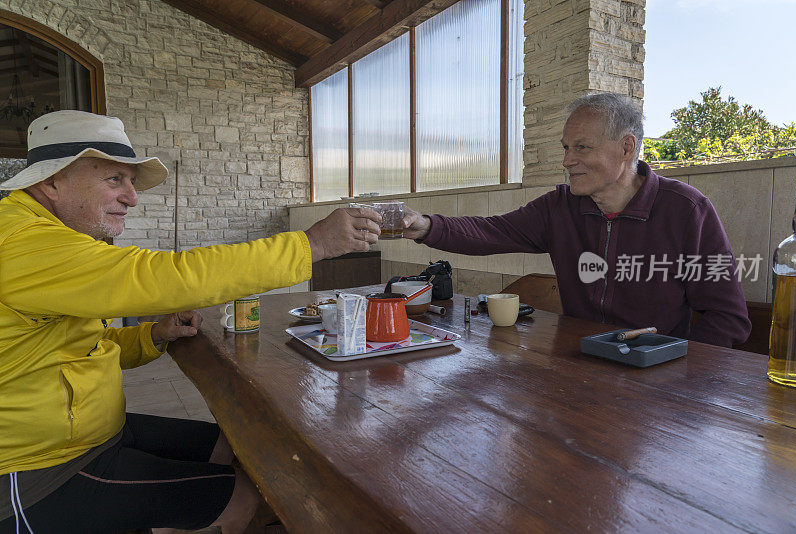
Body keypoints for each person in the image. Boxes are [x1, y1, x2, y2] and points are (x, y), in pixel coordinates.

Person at [0, 110, 381, 533]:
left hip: (93, 433)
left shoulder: (48, 238)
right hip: (37, 468)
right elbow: (164, 276)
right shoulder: (18, 241)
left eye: (130, 181)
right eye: (114, 180)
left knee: (238, 449)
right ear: (51, 181)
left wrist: (152, 334)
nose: (132, 197)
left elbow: (80, 344)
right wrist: (311, 245)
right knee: (241, 495)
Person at [401, 92, 751, 348]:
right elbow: (492, 231)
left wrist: (677, 371)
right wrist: (426, 226)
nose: (567, 160)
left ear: (627, 148)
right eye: (566, 148)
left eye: (581, 147)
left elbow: (728, 318)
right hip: (577, 364)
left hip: (654, 376)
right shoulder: (560, 206)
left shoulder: (687, 210)